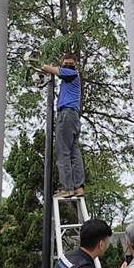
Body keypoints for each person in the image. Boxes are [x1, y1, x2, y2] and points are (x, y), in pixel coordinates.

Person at [39, 53, 84, 197]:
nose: (67, 65)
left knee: (63, 151)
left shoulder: (71, 73)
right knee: (74, 153)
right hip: (74, 117)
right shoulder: (71, 77)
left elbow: (50, 69)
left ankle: (67, 188)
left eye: (68, 63)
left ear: (72, 64)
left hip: (66, 115)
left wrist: (45, 66)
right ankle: (79, 187)